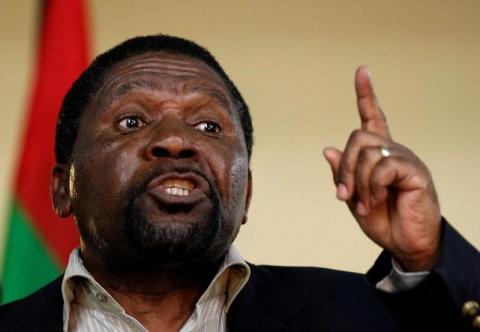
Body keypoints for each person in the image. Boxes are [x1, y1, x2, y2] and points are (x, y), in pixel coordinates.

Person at [0, 34, 479, 332]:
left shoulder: (363, 316)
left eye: (208, 127)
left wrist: (427, 254)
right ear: (63, 189)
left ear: (245, 193)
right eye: (131, 122)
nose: (173, 141)